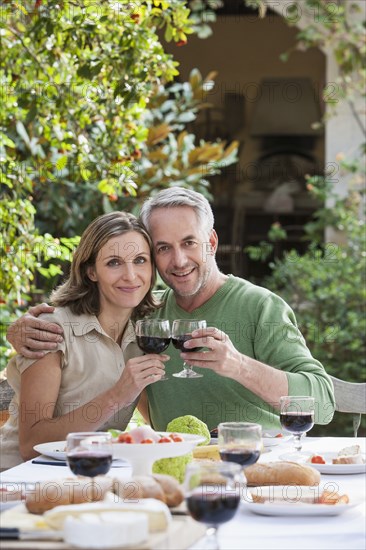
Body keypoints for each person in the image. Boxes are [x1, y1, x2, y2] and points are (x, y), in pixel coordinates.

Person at [6, 188, 335, 434]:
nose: (178, 260)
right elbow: (89, 322)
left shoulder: (261, 307)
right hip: (172, 471)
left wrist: (238, 366)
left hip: (252, 466)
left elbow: (322, 403)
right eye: (163, 248)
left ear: (212, 243)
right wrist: (18, 330)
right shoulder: (146, 314)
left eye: (189, 243)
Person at [1, 212, 167, 469]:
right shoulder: (51, 330)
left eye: (140, 260)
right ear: (91, 271)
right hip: (20, 480)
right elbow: (30, 444)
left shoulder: (146, 334)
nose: (131, 276)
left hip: (92, 476)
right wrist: (116, 397)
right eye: (114, 263)